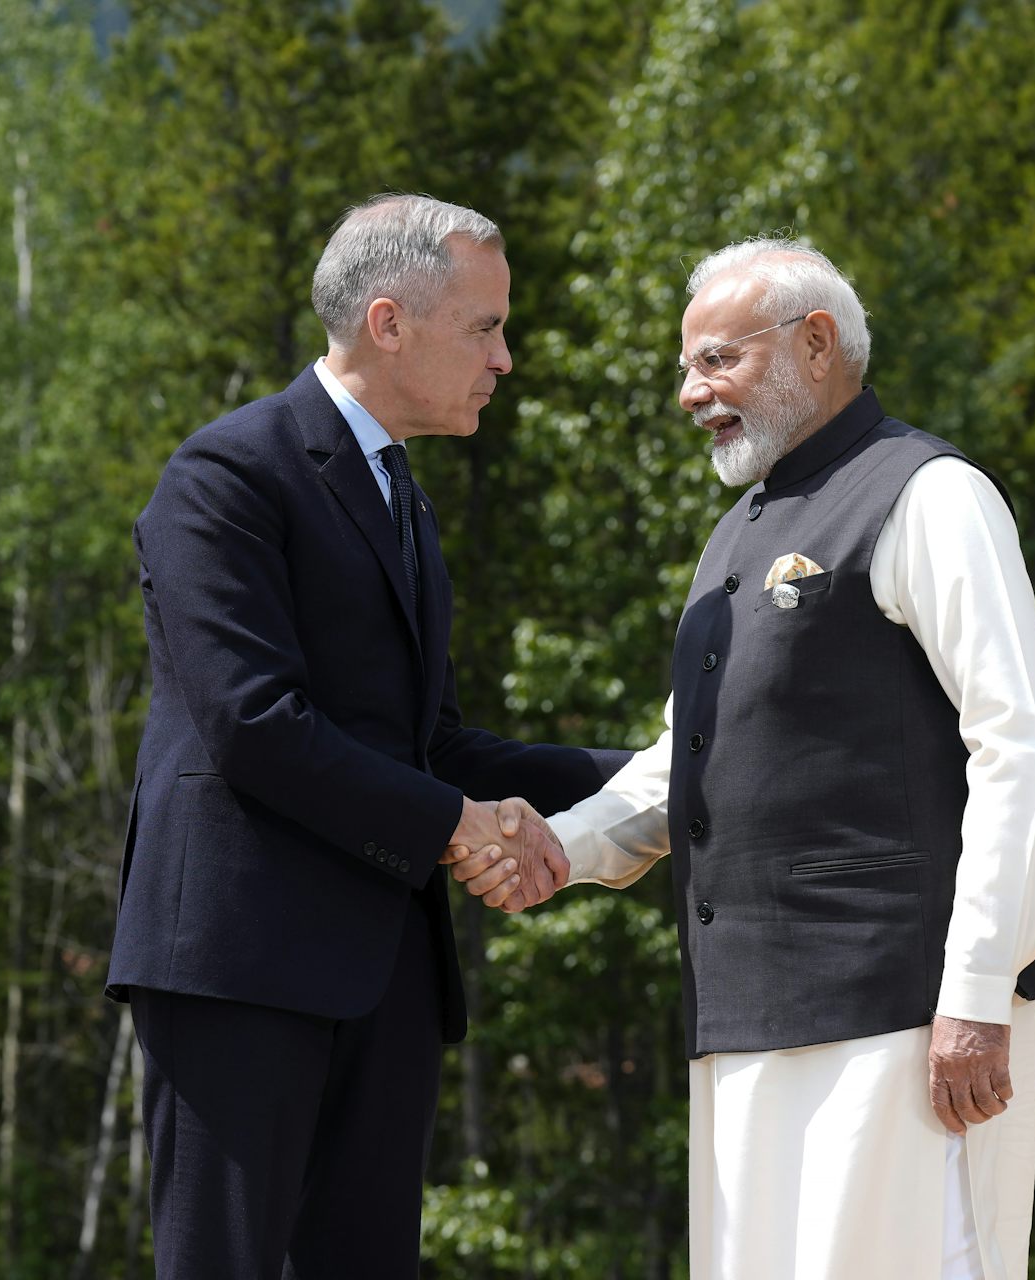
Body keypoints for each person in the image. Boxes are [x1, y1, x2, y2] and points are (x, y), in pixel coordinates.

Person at [451, 238, 1035, 1279]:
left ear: (817, 343)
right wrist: (552, 845)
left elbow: (1022, 741)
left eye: (717, 360)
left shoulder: (931, 494)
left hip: (900, 1021)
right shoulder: (733, 536)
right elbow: (682, 760)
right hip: (740, 1018)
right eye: (688, 367)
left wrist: (976, 989)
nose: (692, 393)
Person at [105, 193, 628, 1279]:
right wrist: (456, 825)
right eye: (486, 327)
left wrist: (659, 772)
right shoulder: (225, 476)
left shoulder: (404, 499)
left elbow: (428, 744)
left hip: (382, 976)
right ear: (389, 323)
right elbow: (255, 724)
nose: (507, 358)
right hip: (238, 966)